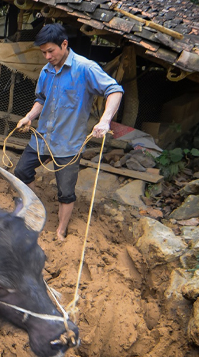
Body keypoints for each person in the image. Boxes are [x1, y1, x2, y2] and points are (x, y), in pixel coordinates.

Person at [14, 23, 123, 241]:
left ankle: (60, 231)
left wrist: (104, 121)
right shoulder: (46, 71)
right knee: (21, 173)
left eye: (50, 51)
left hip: (68, 144)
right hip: (43, 137)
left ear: (64, 44)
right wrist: (29, 117)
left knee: (65, 192)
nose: (47, 56)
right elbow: (41, 99)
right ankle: (35, 208)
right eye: (43, 52)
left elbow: (115, 90)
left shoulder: (85, 68)